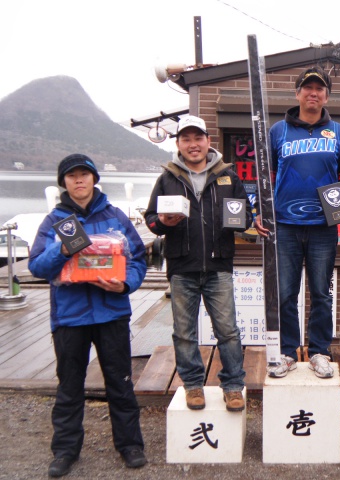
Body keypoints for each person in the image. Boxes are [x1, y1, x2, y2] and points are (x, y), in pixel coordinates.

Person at [29, 154, 147, 477]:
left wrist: (124, 283)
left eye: (85, 174)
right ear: (63, 182)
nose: (79, 180)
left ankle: (130, 444)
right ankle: (65, 450)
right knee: (69, 386)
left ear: (94, 179)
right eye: (72, 176)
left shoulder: (116, 217)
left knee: (121, 382)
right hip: (69, 317)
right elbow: (36, 266)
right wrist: (63, 249)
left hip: (112, 314)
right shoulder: (54, 221)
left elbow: (138, 258)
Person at [254, 66, 340, 378]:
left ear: (326, 95)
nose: (314, 93)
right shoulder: (277, 132)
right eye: (308, 88)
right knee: (286, 292)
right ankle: (287, 352)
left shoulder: (338, 132)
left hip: (323, 227)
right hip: (284, 225)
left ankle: (319, 352)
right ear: (297, 93)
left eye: (320, 89)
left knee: (321, 293)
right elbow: (266, 176)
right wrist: (261, 210)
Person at [145, 115, 251, 412]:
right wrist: (163, 222)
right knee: (184, 332)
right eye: (186, 139)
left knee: (228, 331)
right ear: (178, 144)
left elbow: (247, 215)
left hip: (219, 266)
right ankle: (192, 385)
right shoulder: (168, 177)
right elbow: (152, 220)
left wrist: (242, 221)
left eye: (198, 138)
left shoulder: (228, 175)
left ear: (208, 140)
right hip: (182, 267)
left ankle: (232, 386)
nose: (193, 145)